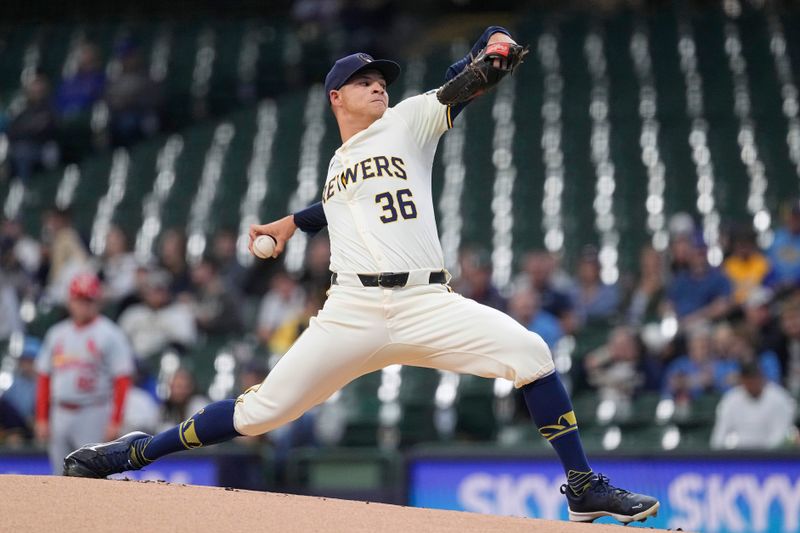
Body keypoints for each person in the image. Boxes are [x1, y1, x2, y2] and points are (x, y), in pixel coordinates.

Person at [63, 27, 658, 525]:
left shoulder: (409, 121)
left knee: (531, 352)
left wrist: (491, 58)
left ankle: (582, 486)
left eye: (383, 81)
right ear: (335, 99)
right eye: (365, 81)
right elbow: (339, 202)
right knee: (259, 413)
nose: (379, 86)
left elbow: (464, 82)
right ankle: (133, 451)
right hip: (350, 311)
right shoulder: (338, 164)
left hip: (427, 300)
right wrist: (294, 223)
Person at [35, 272, 134, 473]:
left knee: (95, 473)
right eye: (79, 299)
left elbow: (123, 379)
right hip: (60, 411)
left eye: (88, 300)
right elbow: (44, 377)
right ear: (70, 301)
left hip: (93, 410)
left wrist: (116, 421)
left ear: (97, 301)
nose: (83, 305)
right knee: (59, 473)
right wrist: (42, 417)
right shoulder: (57, 334)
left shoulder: (109, 334)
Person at [710, 362, 796, 449]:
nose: (753, 385)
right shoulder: (730, 400)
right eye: (748, 381)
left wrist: (763, 458)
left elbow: (780, 436)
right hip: (739, 457)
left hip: (772, 458)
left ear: (761, 378)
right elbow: (719, 437)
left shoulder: (779, 398)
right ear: (742, 380)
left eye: (755, 379)